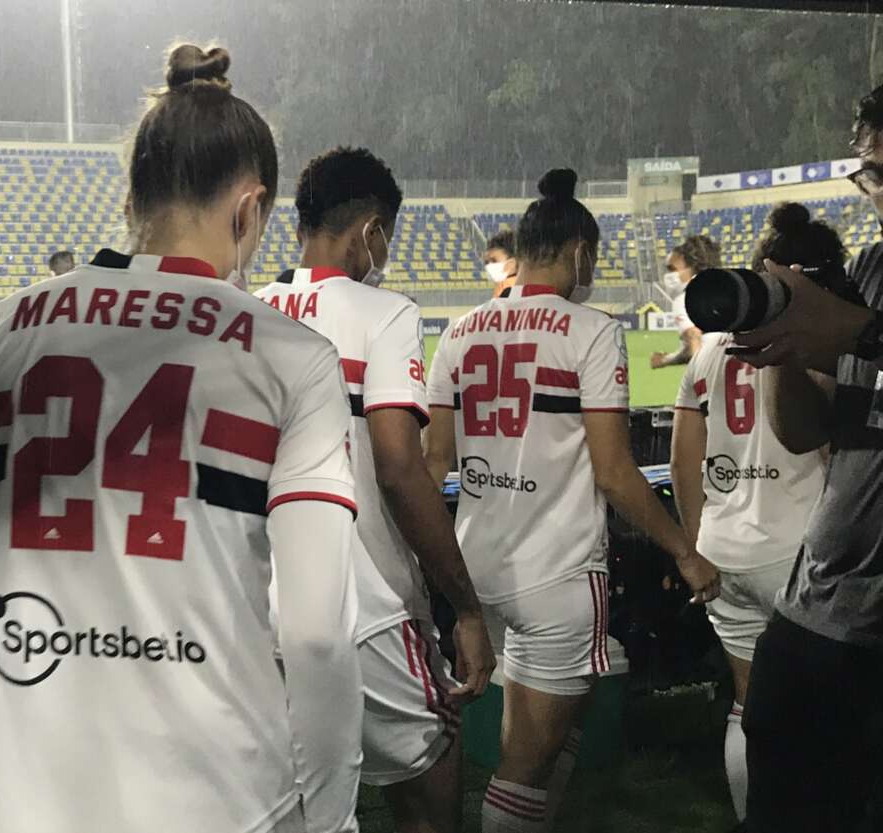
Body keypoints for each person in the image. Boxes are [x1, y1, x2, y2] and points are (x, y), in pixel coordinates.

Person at [0, 43, 363, 833]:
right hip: (223, 794)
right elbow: (314, 633)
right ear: (250, 209)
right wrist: (334, 813)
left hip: (17, 794)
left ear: (134, 193)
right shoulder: (293, 357)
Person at [424, 169, 719, 833]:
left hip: (477, 566)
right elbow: (614, 472)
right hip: (555, 572)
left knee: (541, 735)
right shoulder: (591, 331)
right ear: (580, 252)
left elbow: (432, 462)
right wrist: (683, 550)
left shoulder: (461, 331)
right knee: (526, 765)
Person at [255, 146, 494, 833]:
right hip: (367, 605)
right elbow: (398, 467)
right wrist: (465, 607)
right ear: (370, 230)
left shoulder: (247, 310)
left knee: (297, 805)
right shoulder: (384, 313)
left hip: (261, 605)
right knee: (430, 783)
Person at [728, 84, 883, 833]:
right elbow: (805, 431)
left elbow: (861, 340)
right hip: (818, 606)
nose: (879, 193)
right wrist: (781, 345)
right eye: (873, 173)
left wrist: (857, 333)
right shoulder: (875, 266)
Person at [670, 202, 842, 829]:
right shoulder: (823, 340)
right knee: (827, 713)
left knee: (748, 706)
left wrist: (694, 545)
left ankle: (753, 818)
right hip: (802, 553)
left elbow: (683, 456)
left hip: (725, 552)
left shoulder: (711, 347)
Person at [650, 234, 722, 369]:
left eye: (673, 269)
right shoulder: (724, 291)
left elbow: (694, 338)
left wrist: (700, 377)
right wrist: (667, 360)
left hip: (716, 375)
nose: (669, 275)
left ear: (691, 267)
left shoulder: (685, 300)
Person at [484, 229, 518, 298]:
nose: (488, 266)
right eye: (486, 262)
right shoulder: (502, 286)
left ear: (511, 264)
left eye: (494, 261)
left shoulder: (508, 289)